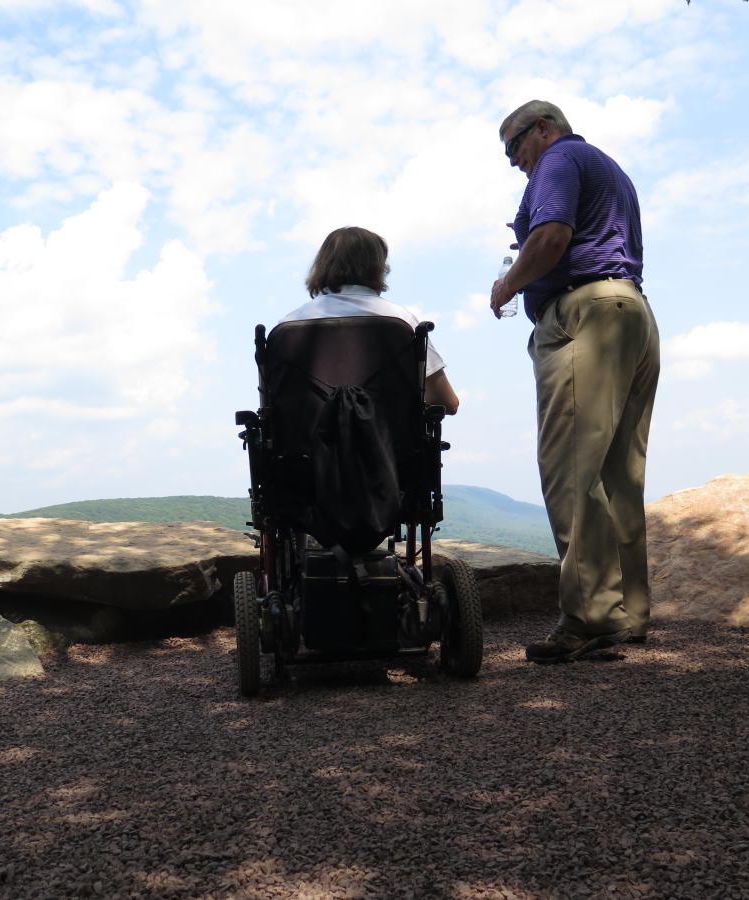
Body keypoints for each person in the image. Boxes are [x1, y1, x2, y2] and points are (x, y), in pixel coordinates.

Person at [490, 100, 660, 663]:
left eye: (513, 145)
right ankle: (627, 613)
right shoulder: (608, 167)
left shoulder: (557, 161)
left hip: (583, 314)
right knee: (619, 473)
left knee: (570, 467)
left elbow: (552, 237)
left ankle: (589, 617)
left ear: (543, 128)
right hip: (631, 309)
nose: (513, 161)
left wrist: (507, 285)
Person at [282, 226, 459, 414]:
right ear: (378, 268)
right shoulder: (402, 320)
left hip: (307, 442)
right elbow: (446, 401)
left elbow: (279, 399)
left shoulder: (287, 325)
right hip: (387, 442)